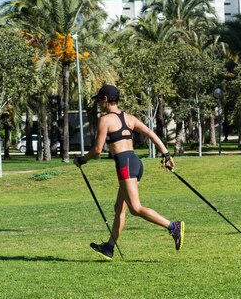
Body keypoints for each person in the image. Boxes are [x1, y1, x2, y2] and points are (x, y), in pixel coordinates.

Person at [74, 84, 184, 260]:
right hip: (135, 162)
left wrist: (81, 160)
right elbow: (150, 133)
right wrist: (166, 153)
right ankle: (109, 248)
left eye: (99, 101)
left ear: (105, 100)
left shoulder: (105, 120)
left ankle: (173, 226)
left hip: (124, 163)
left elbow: (97, 149)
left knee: (135, 208)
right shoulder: (129, 118)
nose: (98, 105)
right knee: (119, 208)